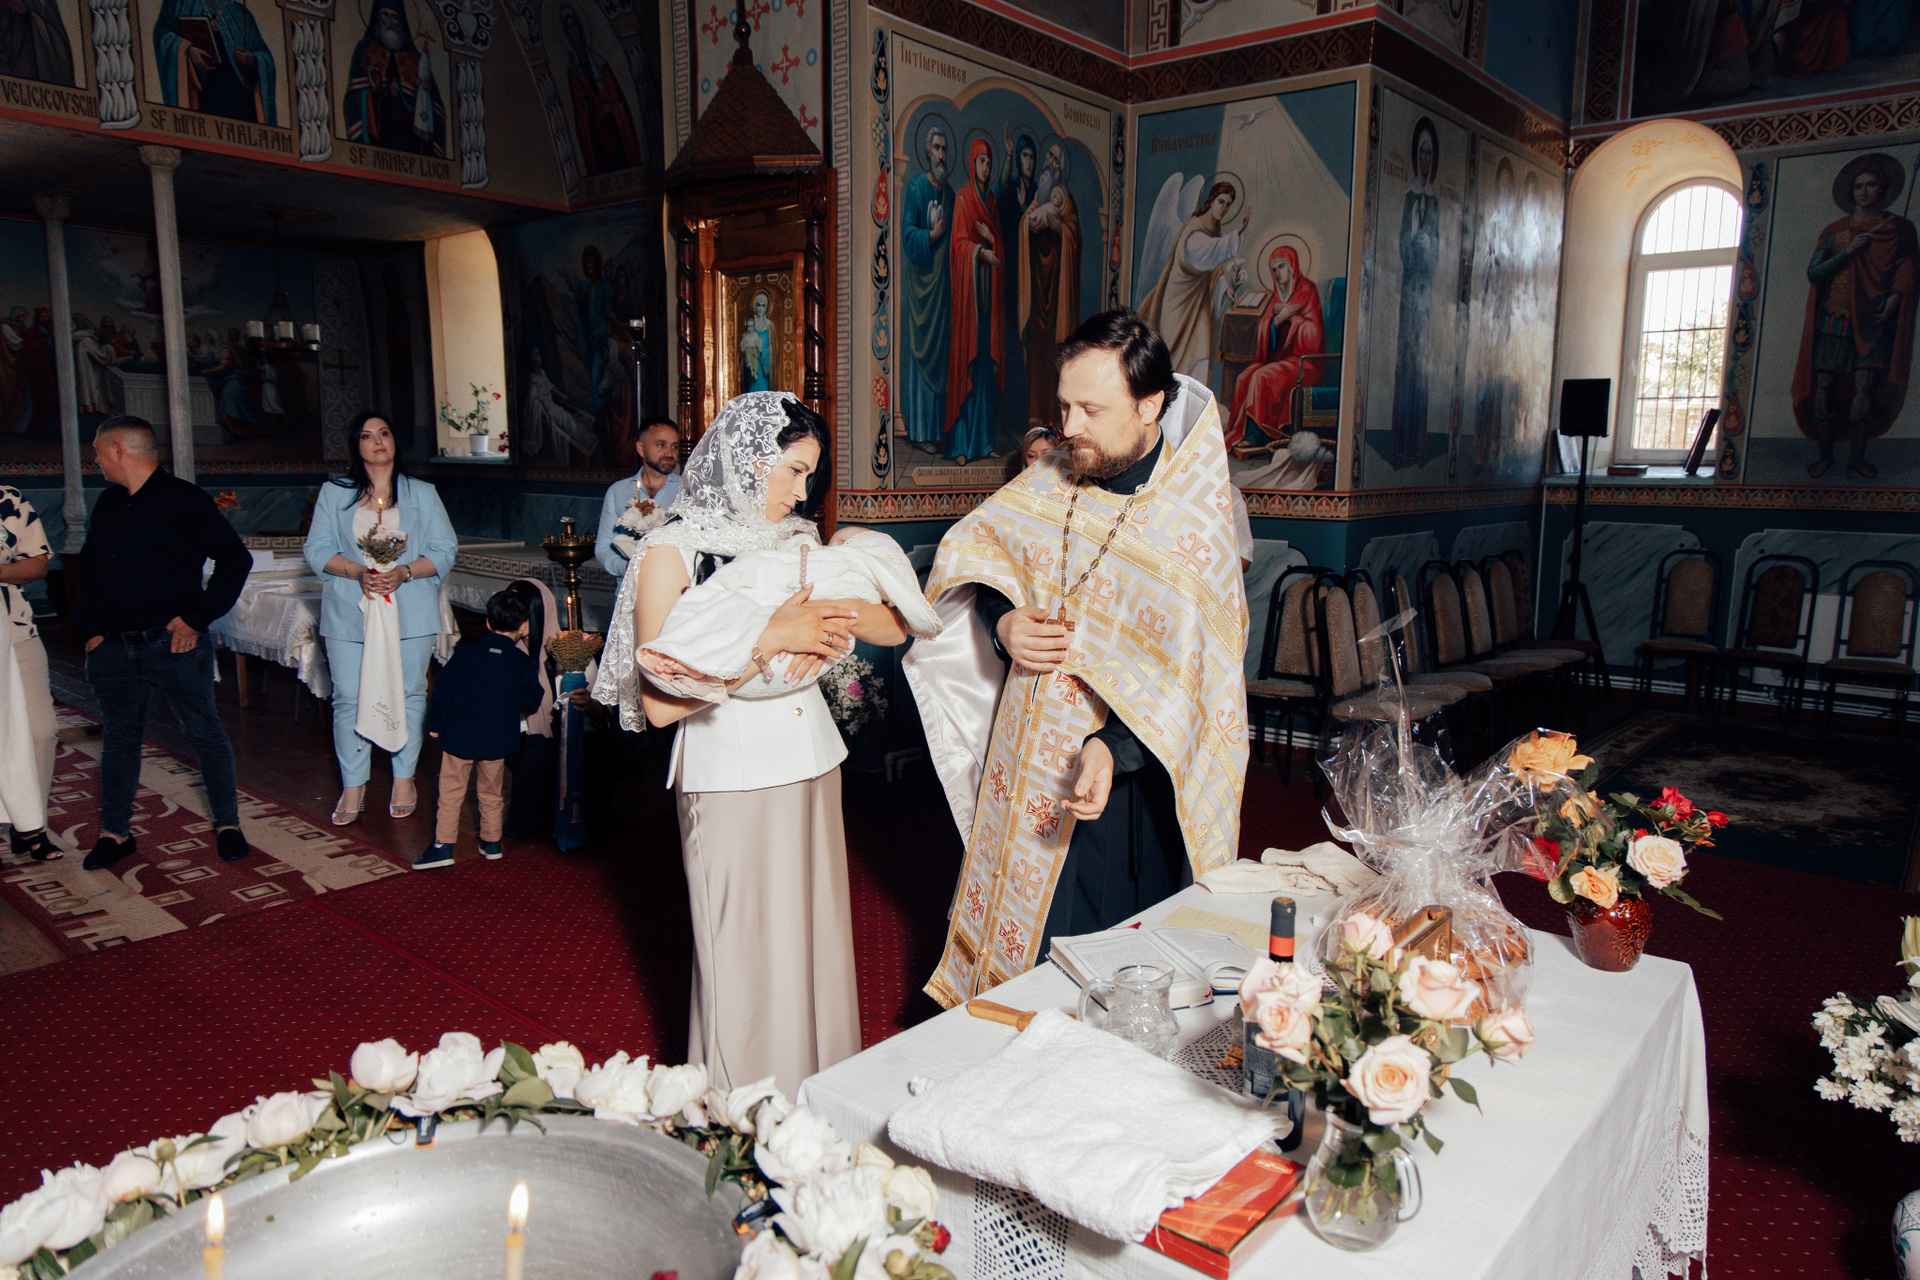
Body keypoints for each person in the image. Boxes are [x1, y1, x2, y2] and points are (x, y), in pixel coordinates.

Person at [903, 310, 1248, 1007]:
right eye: (1064, 406)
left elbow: (1198, 681)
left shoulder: (1191, 525)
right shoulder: (1050, 477)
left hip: (1121, 792)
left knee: (1094, 981)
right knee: (1005, 935)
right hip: (1023, 756)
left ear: (1149, 405)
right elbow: (981, 555)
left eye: (1092, 409)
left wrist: (1113, 748)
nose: (1070, 427)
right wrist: (1004, 625)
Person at [594, 391, 908, 1095]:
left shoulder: (797, 541)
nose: (802, 492)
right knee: (742, 955)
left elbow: (893, 625)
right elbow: (659, 703)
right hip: (729, 774)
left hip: (811, 763)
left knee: (813, 944)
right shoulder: (669, 551)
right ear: (747, 459)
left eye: (810, 475)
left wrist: (849, 605)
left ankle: (818, 1105)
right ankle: (739, 1115)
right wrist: (771, 637)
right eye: (794, 471)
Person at [72, 416, 254, 870]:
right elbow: (88, 570)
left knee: (203, 733)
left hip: (173, 645)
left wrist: (195, 619)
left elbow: (235, 559)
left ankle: (228, 826)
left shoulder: (184, 500)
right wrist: (91, 631)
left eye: (98, 452)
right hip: (114, 649)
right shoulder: (108, 503)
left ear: (119, 450)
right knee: (119, 739)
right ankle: (115, 833)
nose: (95, 461)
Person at [305, 411, 458, 825]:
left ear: (394, 441)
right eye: (367, 435)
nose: (377, 441)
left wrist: (404, 571)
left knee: (409, 693)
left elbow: (445, 549)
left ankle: (403, 778)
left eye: (385, 433)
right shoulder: (334, 493)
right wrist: (358, 572)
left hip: (410, 608)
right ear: (356, 445)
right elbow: (317, 549)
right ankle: (353, 785)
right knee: (349, 697)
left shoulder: (422, 493)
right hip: (348, 610)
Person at [1792, 152, 1920, 479]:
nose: (1864, 191)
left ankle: (1856, 460)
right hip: (1834, 318)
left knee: (1864, 388)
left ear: (1882, 189)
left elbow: (1907, 269)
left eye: (1871, 185)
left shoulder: (1898, 229)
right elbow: (1815, 273)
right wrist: (1848, 251)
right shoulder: (1834, 232)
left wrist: (1894, 298)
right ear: (1851, 192)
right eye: (1859, 186)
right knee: (1825, 387)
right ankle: (1825, 457)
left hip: (1874, 318)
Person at [417, 589, 546, 870]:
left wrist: (436, 726)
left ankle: (443, 846)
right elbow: (532, 698)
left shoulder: (465, 653)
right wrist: (506, 704)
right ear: (524, 626)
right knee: (491, 792)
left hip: (458, 735)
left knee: (451, 791)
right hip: (496, 738)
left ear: (488, 622)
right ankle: (492, 842)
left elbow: (441, 692)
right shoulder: (523, 662)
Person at [0, 487, 58, 860]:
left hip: (15, 629)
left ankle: (30, 825)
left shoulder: (8, 498)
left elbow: (37, 564)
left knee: (41, 730)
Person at [945, 136, 1006, 465]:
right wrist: (981, 250)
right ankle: (961, 446)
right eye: (981, 161)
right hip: (969, 302)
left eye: (989, 162)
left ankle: (984, 442)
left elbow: (1002, 248)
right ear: (972, 163)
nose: (986, 167)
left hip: (987, 304)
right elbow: (957, 246)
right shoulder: (964, 197)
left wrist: (992, 239)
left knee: (984, 372)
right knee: (966, 367)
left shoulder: (991, 201)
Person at [595, 416, 682, 579]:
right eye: (661, 445)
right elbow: (603, 545)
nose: (669, 453)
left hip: (673, 583)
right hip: (629, 587)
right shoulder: (617, 491)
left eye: (674, 446)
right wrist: (627, 568)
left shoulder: (687, 491)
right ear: (641, 449)